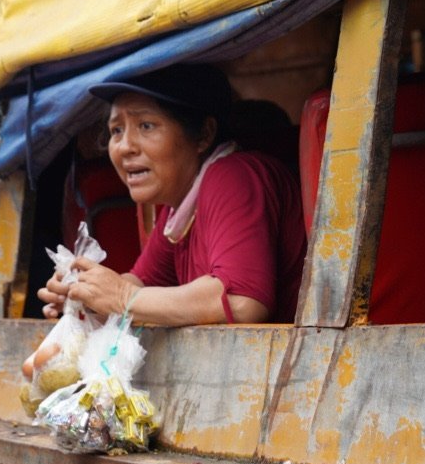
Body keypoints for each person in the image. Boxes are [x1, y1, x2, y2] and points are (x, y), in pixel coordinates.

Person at [39, 64, 306, 326]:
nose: (124, 147)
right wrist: (84, 295)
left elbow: (243, 301)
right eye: (116, 130)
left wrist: (121, 297)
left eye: (146, 126)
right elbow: (141, 283)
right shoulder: (179, 207)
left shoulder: (235, 174)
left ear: (203, 134)